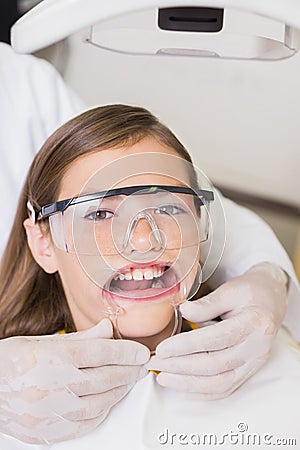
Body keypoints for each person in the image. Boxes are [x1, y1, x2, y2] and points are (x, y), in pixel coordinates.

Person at [0, 104, 298, 447]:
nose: (144, 240)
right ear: (43, 242)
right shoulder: (13, 412)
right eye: (99, 213)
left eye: (168, 208)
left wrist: (270, 277)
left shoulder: (284, 380)